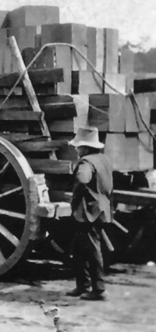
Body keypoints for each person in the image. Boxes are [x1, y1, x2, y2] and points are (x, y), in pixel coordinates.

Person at [66, 126, 113, 301]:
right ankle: (82, 285)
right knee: (78, 248)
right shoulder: (104, 160)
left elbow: (82, 180)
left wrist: (75, 200)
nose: (76, 149)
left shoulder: (86, 162)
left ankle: (99, 289)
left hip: (88, 211)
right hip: (101, 207)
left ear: (85, 148)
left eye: (78, 146)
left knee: (92, 250)